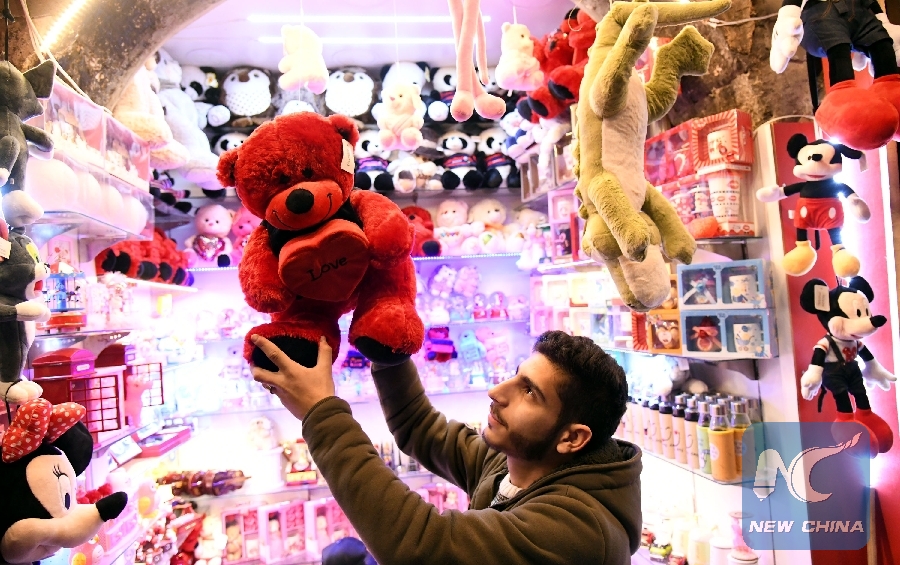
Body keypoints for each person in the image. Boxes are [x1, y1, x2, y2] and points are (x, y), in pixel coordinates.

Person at [251, 330, 641, 565]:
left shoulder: (579, 530)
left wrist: (320, 411)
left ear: (572, 438)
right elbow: (420, 427)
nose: (496, 391)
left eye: (529, 392)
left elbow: (421, 545)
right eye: (515, 376)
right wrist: (385, 340)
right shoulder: (517, 464)